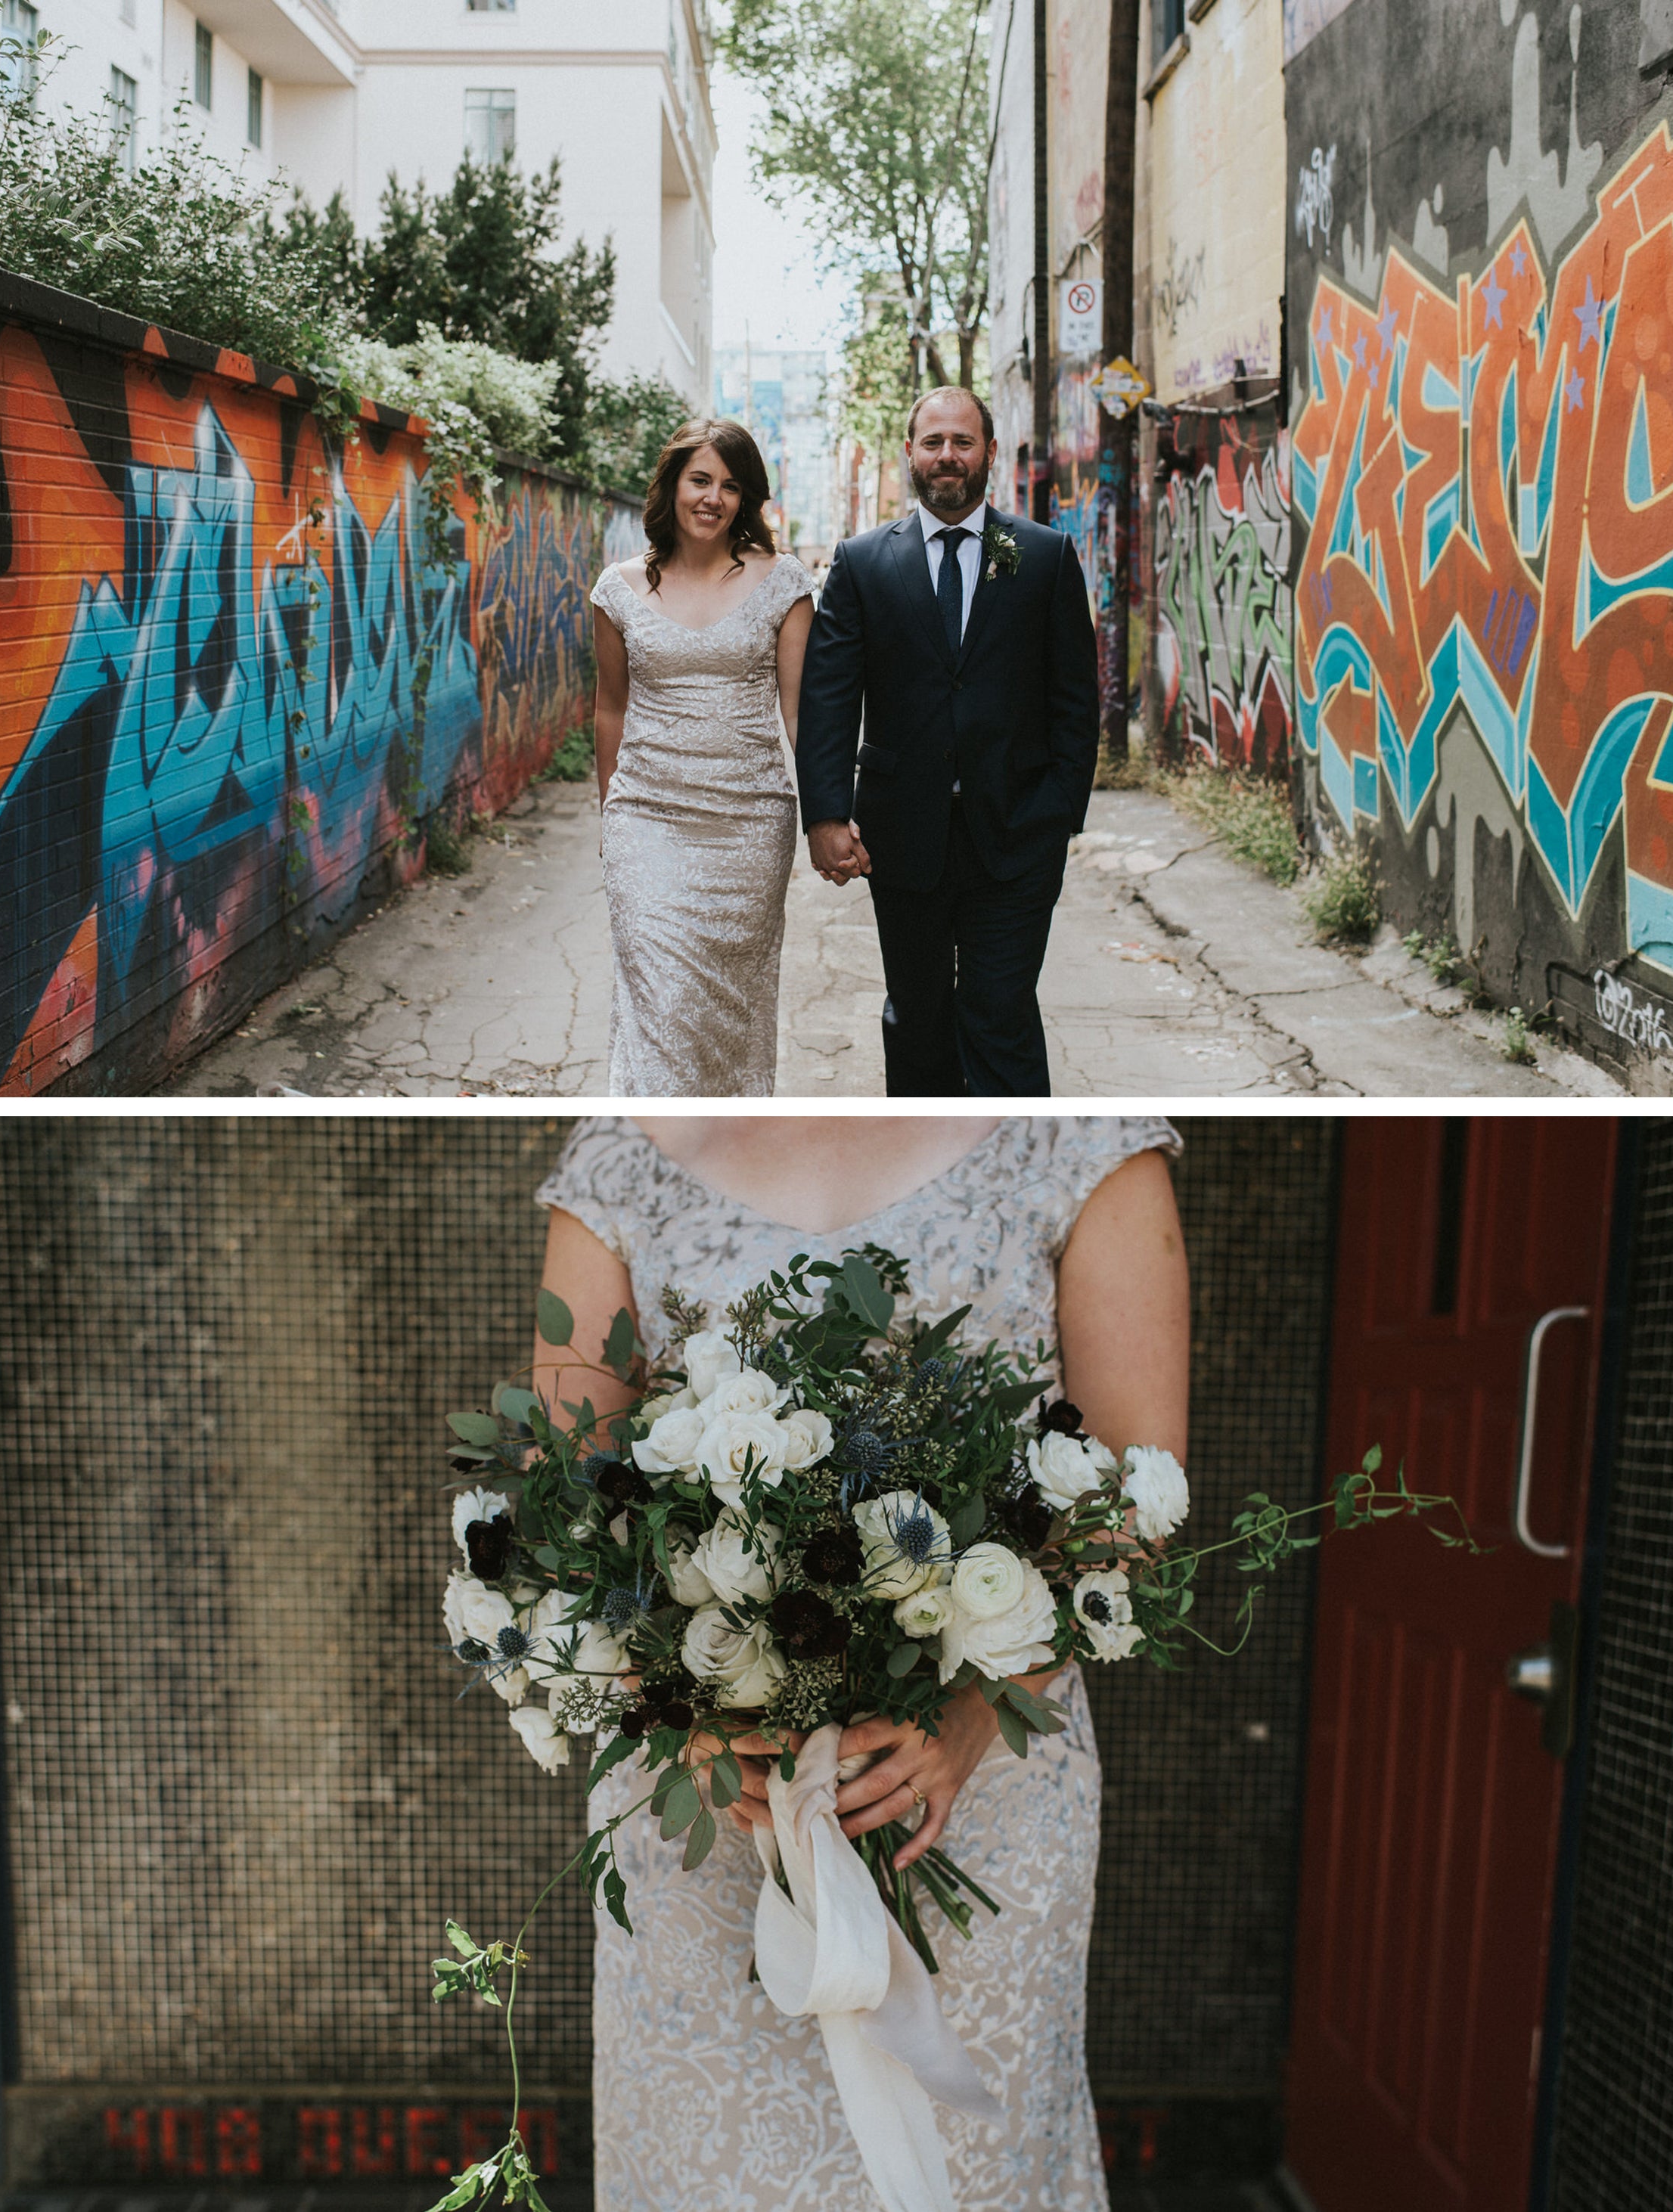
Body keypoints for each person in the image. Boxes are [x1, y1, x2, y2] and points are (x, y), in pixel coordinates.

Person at [532, 1113, 1187, 2210]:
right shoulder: (623, 1155)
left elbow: (1130, 1497)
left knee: (967, 2164)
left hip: (980, 1792)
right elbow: (567, 1502)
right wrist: (685, 1720)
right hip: (708, 1816)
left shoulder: (1079, 1142)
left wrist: (979, 1712)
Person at [795, 392, 1102, 1095]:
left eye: (963, 442)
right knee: (920, 1019)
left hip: (1018, 835)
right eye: (932, 442)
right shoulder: (864, 561)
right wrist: (826, 816)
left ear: (990, 453)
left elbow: (1075, 701)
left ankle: (1018, 1162)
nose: (947, 456)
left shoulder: (1040, 555)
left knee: (1000, 1013)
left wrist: (1058, 812)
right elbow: (830, 698)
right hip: (904, 836)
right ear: (910, 453)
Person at [588, 420, 815, 1094]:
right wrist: (612, 816)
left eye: (730, 485)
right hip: (646, 821)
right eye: (700, 480)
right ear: (672, 485)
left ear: (746, 499)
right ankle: (652, 1146)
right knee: (662, 999)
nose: (713, 497)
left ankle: (732, 1144)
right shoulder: (618, 589)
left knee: (724, 1015)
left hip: (748, 827)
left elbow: (799, 714)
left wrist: (831, 815)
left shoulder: (785, 583)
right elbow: (610, 707)